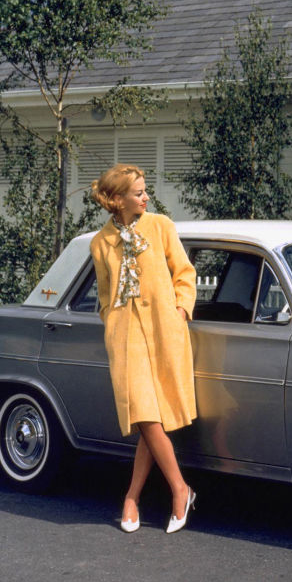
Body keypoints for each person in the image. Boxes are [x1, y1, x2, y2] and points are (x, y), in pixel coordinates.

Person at [89, 164, 198, 534]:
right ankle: (180, 489)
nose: (146, 197)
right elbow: (105, 296)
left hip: (164, 331)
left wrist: (180, 310)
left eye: (145, 191)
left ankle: (132, 497)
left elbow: (184, 273)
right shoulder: (100, 243)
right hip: (126, 339)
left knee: (153, 419)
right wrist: (111, 323)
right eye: (138, 193)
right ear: (118, 199)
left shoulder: (161, 226)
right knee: (145, 416)